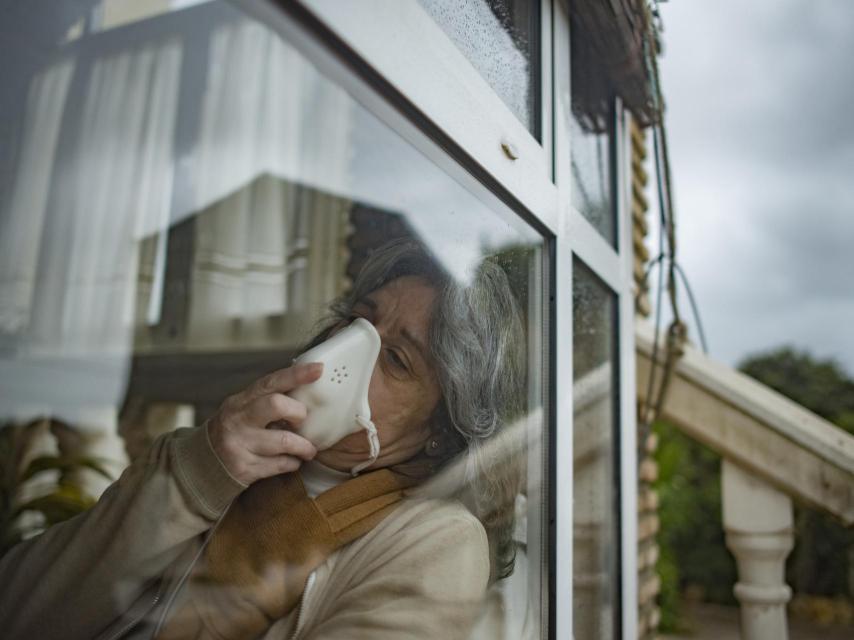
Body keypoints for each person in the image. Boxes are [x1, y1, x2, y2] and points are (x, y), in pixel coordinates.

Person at [0, 238, 526, 640]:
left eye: (395, 359)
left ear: (439, 429)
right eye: (358, 322)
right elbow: (21, 610)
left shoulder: (437, 541)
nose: (345, 351)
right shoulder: (214, 458)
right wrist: (196, 476)